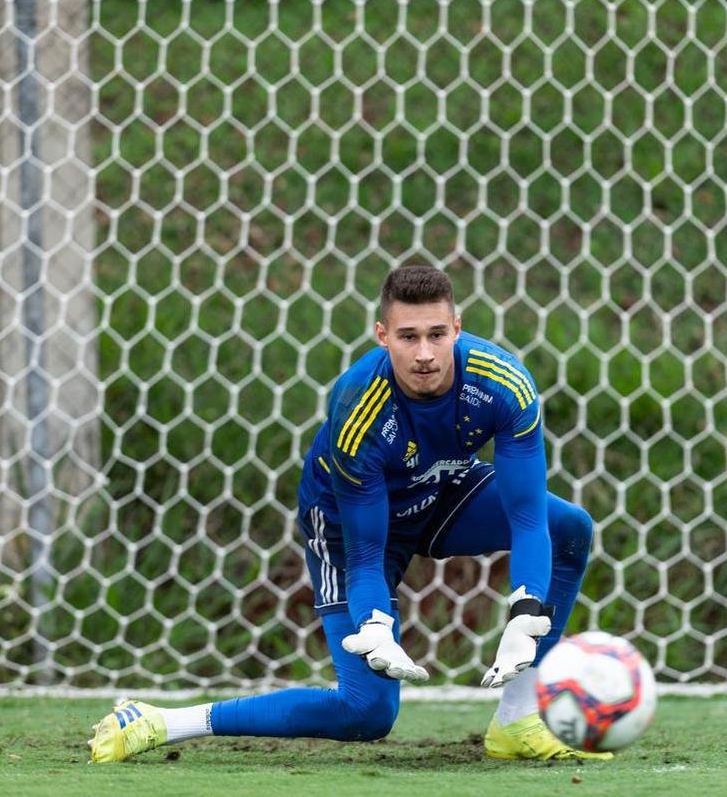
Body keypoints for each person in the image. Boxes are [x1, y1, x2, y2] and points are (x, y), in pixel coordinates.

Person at [89, 265, 607, 762]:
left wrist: (526, 609)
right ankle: (162, 720)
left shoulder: (504, 386)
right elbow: (364, 554)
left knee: (569, 529)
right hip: (345, 524)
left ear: (457, 327)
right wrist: (375, 622)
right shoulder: (358, 408)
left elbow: (527, 518)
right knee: (367, 712)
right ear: (382, 335)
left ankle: (516, 722)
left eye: (436, 334)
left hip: (442, 488)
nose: (424, 353)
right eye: (407, 337)